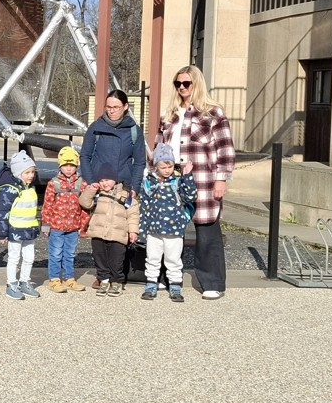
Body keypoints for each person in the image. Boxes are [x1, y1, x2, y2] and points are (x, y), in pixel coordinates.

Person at [157, 65, 236, 300]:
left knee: (207, 229)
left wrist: (221, 178)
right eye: (178, 83)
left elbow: (225, 148)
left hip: (203, 178)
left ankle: (212, 282)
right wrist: (154, 175)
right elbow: (159, 148)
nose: (181, 87)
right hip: (171, 180)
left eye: (186, 83)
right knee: (168, 230)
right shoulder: (169, 115)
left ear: (196, 84)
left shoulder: (213, 113)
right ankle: (167, 277)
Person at [138, 144, 197, 303]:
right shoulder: (149, 183)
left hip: (174, 229)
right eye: (163, 167)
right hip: (154, 229)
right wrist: (142, 229)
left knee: (174, 259)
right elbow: (144, 206)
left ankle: (175, 286)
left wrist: (187, 176)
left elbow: (191, 197)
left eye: (170, 166)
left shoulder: (177, 181)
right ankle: (151, 284)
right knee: (152, 258)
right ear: (156, 166)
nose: (167, 170)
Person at [79, 167, 140, 298]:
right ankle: (104, 280)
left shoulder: (125, 196)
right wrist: (91, 189)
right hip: (98, 233)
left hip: (117, 235)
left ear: (115, 180)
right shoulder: (97, 194)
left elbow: (133, 214)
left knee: (116, 260)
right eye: (101, 181)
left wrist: (133, 231)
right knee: (100, 258)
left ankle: (116, 281)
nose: (104, 183)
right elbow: (84, 203)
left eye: (107, 180)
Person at [80, 89, 148, 196]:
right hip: (97, 187)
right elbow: (85, 156)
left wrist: (134, 187)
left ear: (125, 106)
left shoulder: (134, 131)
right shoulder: (96, 127)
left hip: (123, 188)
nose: (111, 111)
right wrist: (90, 181)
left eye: (116, 107)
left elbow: (139, 162)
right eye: (108, 107)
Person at [41, 147, 90, 293]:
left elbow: (84, 207)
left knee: (69, 254)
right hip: (56, 227)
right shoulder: (53, 183)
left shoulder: (81, 183)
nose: (69, 169)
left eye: (72, 165)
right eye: (65, 165)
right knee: (56, 254)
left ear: (77, 166)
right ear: (60, 166)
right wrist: (45, 225)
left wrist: (83, 226)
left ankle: (69, 278)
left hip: (73, 227)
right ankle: (54, 279)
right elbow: (47, 205)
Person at [0, 151, 41, 301]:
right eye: (27, 172)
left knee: (29, 257)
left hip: (29, 229)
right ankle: (11, 284)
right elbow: (2, 213)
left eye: (32, 172)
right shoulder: (8, 190)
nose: (31, 175)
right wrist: (2, 233)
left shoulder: (29, 188)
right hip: (15, 229)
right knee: (14, 258)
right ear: (18, 172)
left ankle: (24, 281)